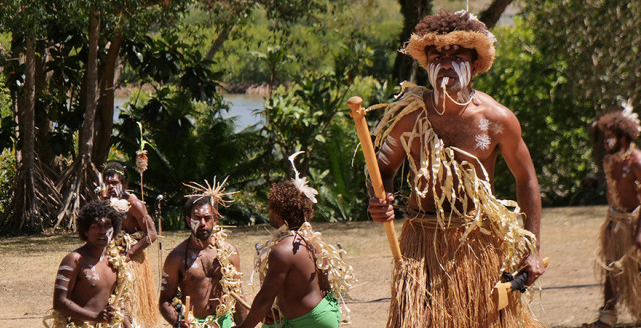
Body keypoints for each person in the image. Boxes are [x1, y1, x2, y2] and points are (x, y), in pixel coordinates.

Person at [366, 10, 544, 327]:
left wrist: (531, 249)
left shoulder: (496, 120)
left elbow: (526, 179)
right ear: (427, 64)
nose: (445, 63)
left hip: (475, 243)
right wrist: (380, 199)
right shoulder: (409, 119)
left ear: (476, 65)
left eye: (456, 55)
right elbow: (380, 170)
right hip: (419, 242)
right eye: (437, 55)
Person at [237, 153, 353, 328]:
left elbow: (264, 300)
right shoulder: (312, 240)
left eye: (270, 208)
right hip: (326, 313)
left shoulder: (283, 250)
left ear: (278, 212)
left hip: (309, 321)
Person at [159, 178, 248, 327]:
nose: (203, 224)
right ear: (188, 221)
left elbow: (238, 296)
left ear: (215, 219)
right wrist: (178, 323)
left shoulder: (229, 252)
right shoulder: (177, 257)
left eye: (207, 218)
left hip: (223, 322)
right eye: (197, 218)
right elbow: (164, 301)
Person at [582, 105, 641, 328]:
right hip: (615, 223)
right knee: (611, 269)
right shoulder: (609, 161)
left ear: (624, 137)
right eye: (605, 136)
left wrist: (639, 232)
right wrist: (611, 224)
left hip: (634, 222)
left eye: (611, 137)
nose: (606, 141)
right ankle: (607, 318)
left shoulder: (636, 161)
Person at [48, 200, 131, 328]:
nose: (102, 231)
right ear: (85, 231)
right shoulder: (74, 260)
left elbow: (117, 304)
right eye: (95, 226)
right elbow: (59, 302)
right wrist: (95, 317)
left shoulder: (115, 262)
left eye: (107, 225)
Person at [101, 162, 160, 327]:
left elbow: (152, 234)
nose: (110, 187)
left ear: (124, 184)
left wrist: (130, 253)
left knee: (126, 301)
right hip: (110, 258)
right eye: (107, 183)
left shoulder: (134, 205)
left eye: (114, 183)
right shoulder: (104, 203)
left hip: (130, 261)